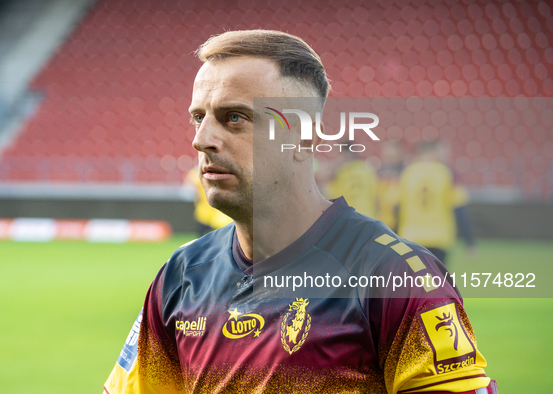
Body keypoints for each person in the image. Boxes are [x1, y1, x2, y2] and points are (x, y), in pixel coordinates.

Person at [103, 30, 496, 394]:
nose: (201, 139)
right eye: (198, 117)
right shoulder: (181, 275)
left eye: (234, 117)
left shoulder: (396, 279)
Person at [397, 141, 476, 266]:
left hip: (411, 236)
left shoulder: (408, 173)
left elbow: (397, 207)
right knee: (437, 282)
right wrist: (470, 241)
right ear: (434, 152)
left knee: (413, 282)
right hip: (440, 237)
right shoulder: (447, 173)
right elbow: (459, 209)